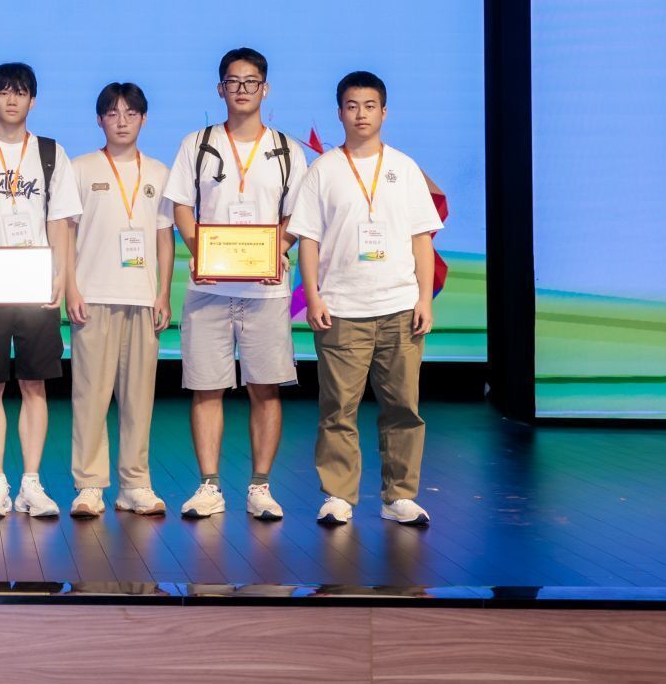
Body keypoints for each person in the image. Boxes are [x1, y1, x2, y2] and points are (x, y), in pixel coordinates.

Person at [288, 70, 443, 526]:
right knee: (338, 409)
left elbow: (421, 239)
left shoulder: (405, 168)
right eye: (352, 106)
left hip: (400, 308)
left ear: (384, 112)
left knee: (403, 409)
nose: (361, 115)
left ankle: (400, 496)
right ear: (340, 112)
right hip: (341, 309)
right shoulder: (323, 170)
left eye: (370, 106)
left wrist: (425, 299)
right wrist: (312, 296)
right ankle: (338, 496)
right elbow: (309, 240)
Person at [166, 47, 309, 521]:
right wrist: (200, 252)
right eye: (233, 81)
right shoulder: (198, 143)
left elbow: (297, 213)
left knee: (265, 389)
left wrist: (276, 250)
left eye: (251, 82)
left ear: (265, 89)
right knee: (206, 388)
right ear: (220, 89)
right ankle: (209, 486)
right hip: (208, 290)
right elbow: (181, 205)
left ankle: (260, 487)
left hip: (266, 292)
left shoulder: (287, 150)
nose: (242, 89)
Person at [0, 62, 82, 518]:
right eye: (3, 92)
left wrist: (60, 274)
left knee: (34, 384)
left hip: (34, 287)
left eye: (20, 92)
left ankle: (31, 483)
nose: (11, 99)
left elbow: (59, 220)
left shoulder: (50, 152)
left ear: (32, 101)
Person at [64, 82, 174, 518]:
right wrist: (71, 287)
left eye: (131, 113)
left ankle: (135, 484)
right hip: (92, 296)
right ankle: (89, 484)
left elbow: (164, 236)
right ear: (100, 120)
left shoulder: (160, 173)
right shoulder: (80, 168)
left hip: (142, 298)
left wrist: (163, 292)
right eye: (112, 113)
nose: (122, 121)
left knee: (138, 399)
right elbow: (66, 233)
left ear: (144, 119)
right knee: (89, 396)